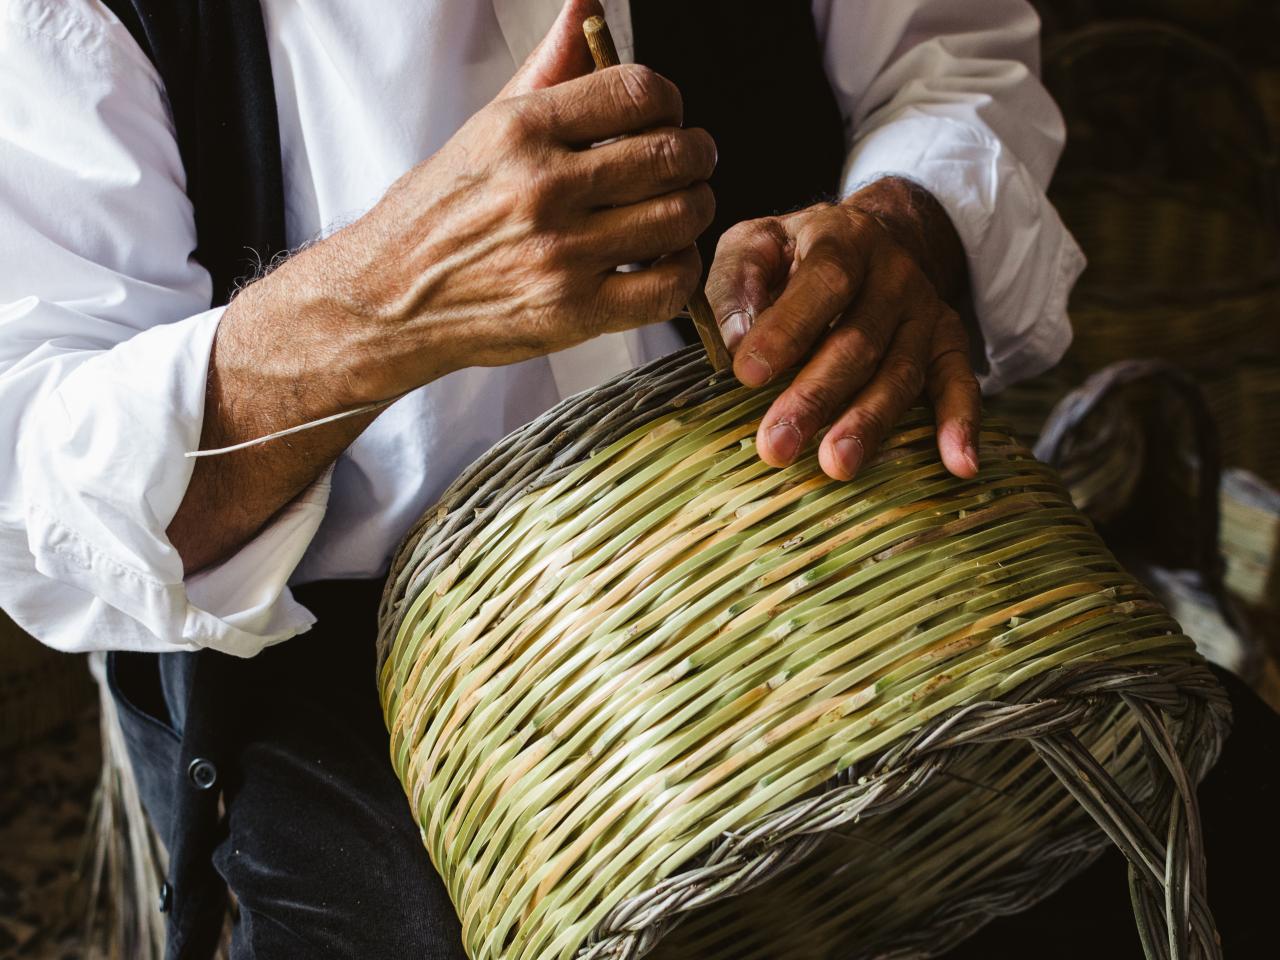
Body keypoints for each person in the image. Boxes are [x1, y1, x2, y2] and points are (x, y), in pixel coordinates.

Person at [8, 1, 1261, 958]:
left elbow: (951, 55)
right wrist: (374, 309)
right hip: (365, 678)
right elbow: (41, 479)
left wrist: (900, 228)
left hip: (827, 511)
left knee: (1212, 825)